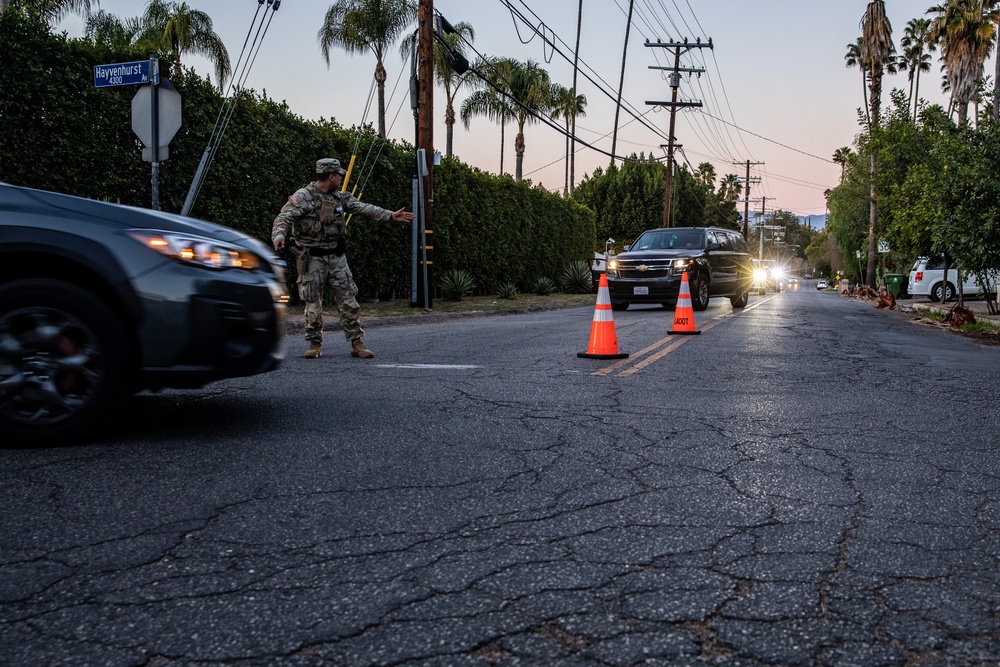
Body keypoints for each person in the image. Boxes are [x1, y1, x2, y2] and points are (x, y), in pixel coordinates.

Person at [272, 158, 415, 359]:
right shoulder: (304, 196)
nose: (341, 177)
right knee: (312, 303)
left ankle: (357, 343)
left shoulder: (340, 198)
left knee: (349, 301)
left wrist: (390, 215)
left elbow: (364, 208)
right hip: (312, 258)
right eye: (339, 174)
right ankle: (314, 344)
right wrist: (279, 235)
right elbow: (283, 217)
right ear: (331, 176)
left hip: (336, 256)